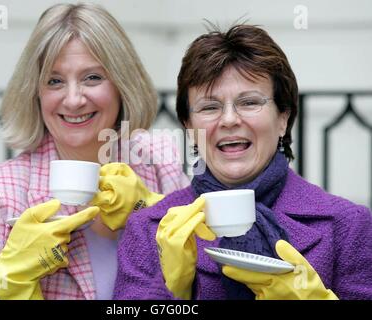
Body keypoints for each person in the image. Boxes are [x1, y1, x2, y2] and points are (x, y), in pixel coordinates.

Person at [0, 2, 189, 300]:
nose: (73, 99)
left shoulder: (157, 161)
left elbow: (202, 282)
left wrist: (152, 214)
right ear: (35, 92)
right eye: (54, 81)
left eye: (92, 77)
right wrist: (4, 282)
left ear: (122, 84)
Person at [113, 24, 372, 300]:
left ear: (283, 117)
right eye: (209, 107)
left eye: (249, 102)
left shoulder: (348, 225)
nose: (229, 120)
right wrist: (173, 292)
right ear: (189, 126)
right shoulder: (148, 228)